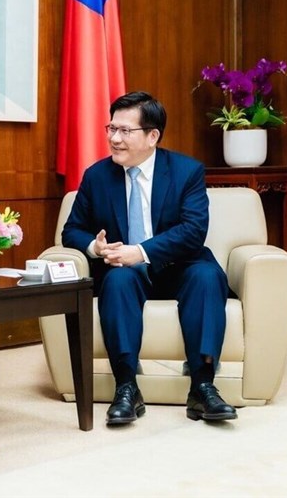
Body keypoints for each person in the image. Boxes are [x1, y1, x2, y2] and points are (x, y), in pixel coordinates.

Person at [62, 91, 237, 425]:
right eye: (111, 128)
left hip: (180, 264)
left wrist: (139, 252)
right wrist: (95, 249)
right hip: (125, 271)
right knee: (117, 278)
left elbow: (193, 231)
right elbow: (72, 231)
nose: (114, 138)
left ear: (152, 135)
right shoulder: (97, 175)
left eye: (125, 131)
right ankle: (126, 387)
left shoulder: (186, 171)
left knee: (207, 275)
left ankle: (203, 386)